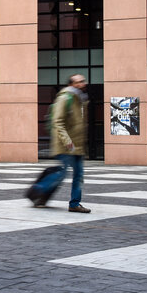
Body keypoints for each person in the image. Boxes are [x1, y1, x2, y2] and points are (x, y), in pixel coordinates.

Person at [50, 74, 91, 213]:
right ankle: (38, 192)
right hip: (65, 146)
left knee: (78, 175)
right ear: (72, 84)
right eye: (79, 82)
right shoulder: (65, 98)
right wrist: (67, 141)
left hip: (77, 146)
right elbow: (58, 121)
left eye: (83, 81)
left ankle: (74, 204)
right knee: (61, 174)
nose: (83, 84)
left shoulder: (80, 99)